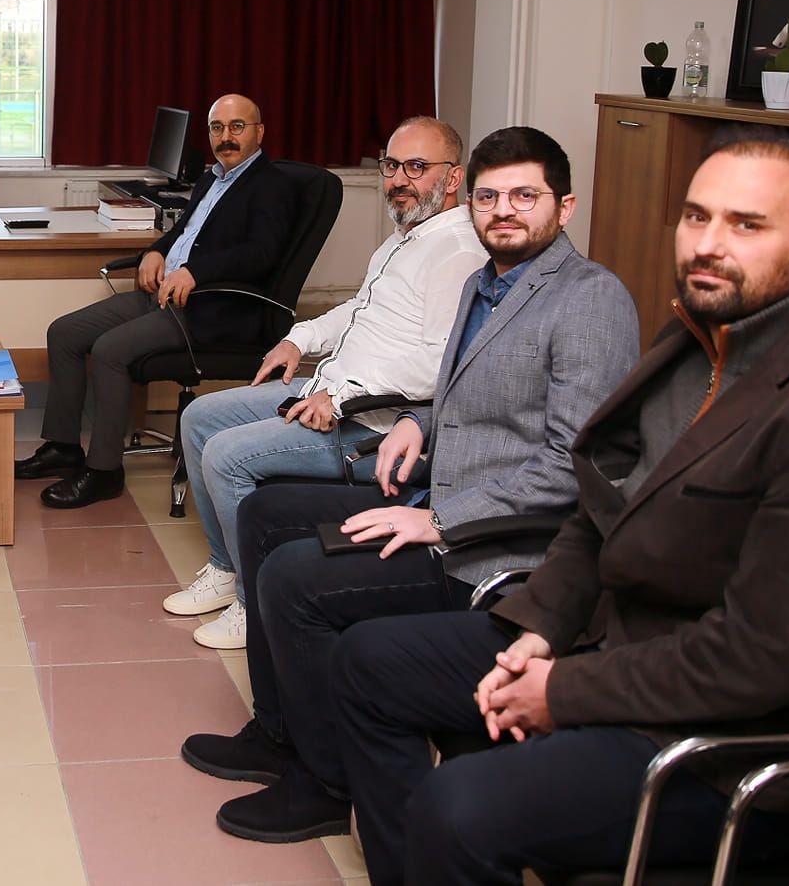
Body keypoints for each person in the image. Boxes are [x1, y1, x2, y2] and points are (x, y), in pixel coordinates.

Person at [219, 128, 789, 886]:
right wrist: (541, 626)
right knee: (369, 665)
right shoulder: (695, 347)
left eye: (748, 224)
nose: (709, 243)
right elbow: (600, 507)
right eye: (697, 216)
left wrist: (561, 687)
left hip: (721, 743)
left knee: (453, 807)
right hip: (609, 643)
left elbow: (758, 659)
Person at [179, 126, 639, 818]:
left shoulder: (589, 299)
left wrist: (439, 519)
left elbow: (572, 465)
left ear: (564, 206)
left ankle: (326, 782)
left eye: (524, 196)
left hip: (495, 548)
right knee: (264, 516)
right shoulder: (486, 283)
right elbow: (465, 386)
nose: (503, 210)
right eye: (490, 196)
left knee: (292, 578)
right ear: (468, 200)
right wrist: (420, 421)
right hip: (438, 490)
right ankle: (278, 734)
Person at [161, 116, 488, 647]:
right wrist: (300, 339)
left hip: (370, 424)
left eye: (416, 167)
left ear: (453, 177)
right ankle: (225, 566)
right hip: (330, 390)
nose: (398, 179)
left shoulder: (457, 253)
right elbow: (361, 308)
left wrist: (340, 395)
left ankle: (252, 604)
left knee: (225, 455)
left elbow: (439, 364)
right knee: (199, 417)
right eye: (391, 166)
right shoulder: (405, 239)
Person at [16, 94, 298, 509]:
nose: (226, 137)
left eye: (237, 127)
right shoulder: (212, 179)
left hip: (212, 308)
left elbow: (262, 253)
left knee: (110, 350)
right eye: (217, 128)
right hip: (166, 294)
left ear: (259, 132)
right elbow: (182, 233)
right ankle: (63, 447)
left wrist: (196, 272)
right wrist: (154, 252)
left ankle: (104, 471)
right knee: (65, 333)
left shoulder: (271, 186)